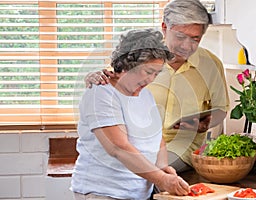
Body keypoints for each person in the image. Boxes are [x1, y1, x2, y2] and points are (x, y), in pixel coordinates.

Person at [85, 0, 230, 176]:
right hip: (137, 144)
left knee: (150, 169)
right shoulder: (143, 57)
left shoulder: (211, 65)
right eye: (180, 36)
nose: (186, 46)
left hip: (180, 149)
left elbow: (221, 110)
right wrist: (94, 77)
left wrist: (204, 122)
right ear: (164, 27)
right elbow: (114, 82)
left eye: (195, 38)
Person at [71, 28, 190, 200]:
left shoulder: (145, 95)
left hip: (139, 193)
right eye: (148, 72)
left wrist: (163, 166)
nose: (152, 79)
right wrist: (162, 179)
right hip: (104, 192)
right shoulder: (101, 93)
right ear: (128, 64)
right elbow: (118, 148)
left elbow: (157, 138)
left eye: (156, 73)